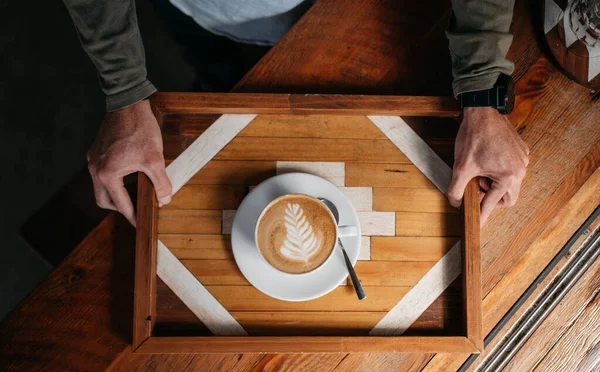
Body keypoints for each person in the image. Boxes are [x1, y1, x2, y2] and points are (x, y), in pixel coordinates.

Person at [63, 0, 529, 227]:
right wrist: (125, 88)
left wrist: (484, 89)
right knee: (213, 71)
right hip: (200, 11)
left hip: (349, 14)